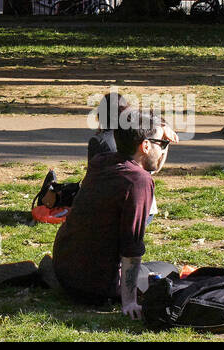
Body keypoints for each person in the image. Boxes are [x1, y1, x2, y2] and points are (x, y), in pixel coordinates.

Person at [53, 109, 178, 317]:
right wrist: (129, 302)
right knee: (169, 271)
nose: (164, 148)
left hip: (65, 272)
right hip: (95, 287)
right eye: (162, 144)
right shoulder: (138, 182)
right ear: (145, 146)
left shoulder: (102, 162)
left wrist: (160, 136)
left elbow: (149, 163)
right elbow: (131, 246)